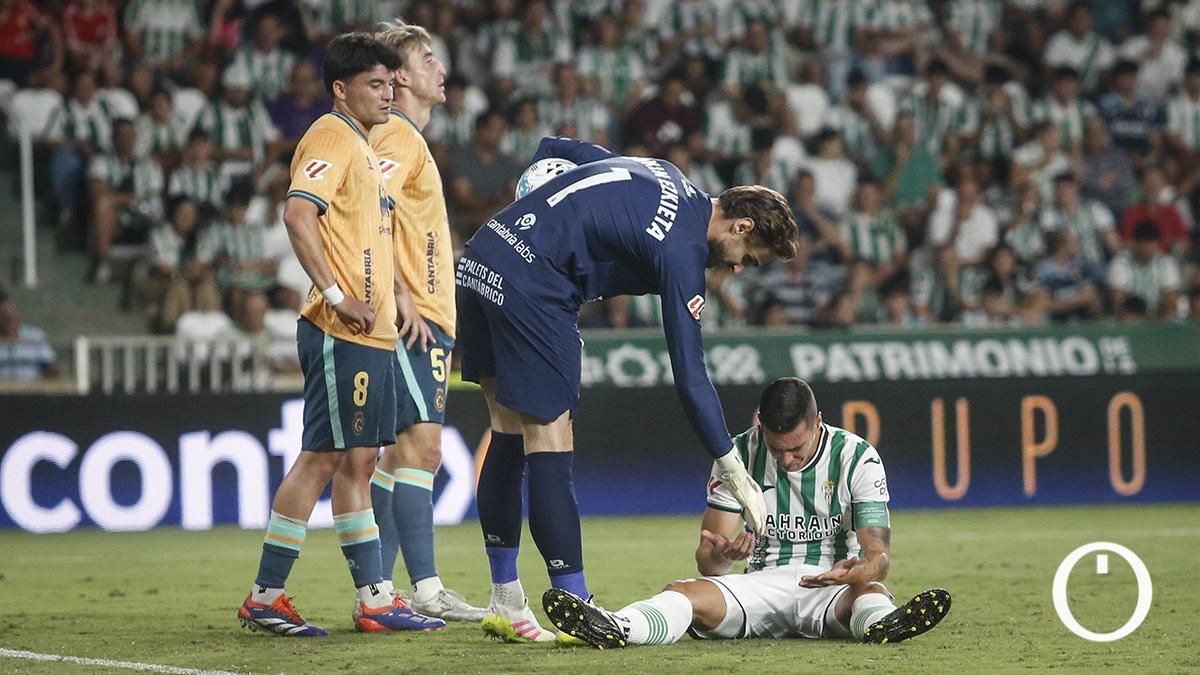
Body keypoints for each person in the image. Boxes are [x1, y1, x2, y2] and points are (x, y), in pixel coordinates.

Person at [457, 135, 797, 643]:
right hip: (536, 284)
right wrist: (734, 470)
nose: (737, 268)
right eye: (749, 257)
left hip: (483, 255)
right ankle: (577, 606)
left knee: (507, 431)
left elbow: (555, 147)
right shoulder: (683, 248)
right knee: (550, 440)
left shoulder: (665, 173)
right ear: (741, 226)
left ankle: (506, 599)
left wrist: (531, 198)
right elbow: (690, 373)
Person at [237, 32, 443, 638]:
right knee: (323, 458)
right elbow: (298, 212)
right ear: (340, 89)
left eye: (388, 82)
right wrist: (334, 294)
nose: (387, 93)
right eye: (374, 84)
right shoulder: (330, 134)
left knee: (359, 461)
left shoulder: (363, 143)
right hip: (339, 329)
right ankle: (265, 595)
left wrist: (392, 298)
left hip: (371, 333)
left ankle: (375, 597)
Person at [542, 377, 952, 648]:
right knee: (683, 592)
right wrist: (723, 555)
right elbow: (709, 562)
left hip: (831, 586)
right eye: (777, 449)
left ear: (818, 422)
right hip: (760, 586)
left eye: (797, 448)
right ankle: (618, 626)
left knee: (870, 593)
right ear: (760, 426)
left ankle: (883, 627)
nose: (787, 460)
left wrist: (857, 572)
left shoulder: (857, 456)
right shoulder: (736, 455)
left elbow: (879, 559)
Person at [369, 19, 485, 623]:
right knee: (423, 448)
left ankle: (379, 590)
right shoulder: (398, 137)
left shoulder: (406, 138)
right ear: (401, 78)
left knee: (397, 456)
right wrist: (400, 294)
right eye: (428, 59)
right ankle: (426, 588)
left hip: (424, 314)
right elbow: (369, 210)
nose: (442, 69)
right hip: (412, 317)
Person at [0, 289, 58, 381]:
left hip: (33, 388)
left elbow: (50, 367)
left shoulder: (35, 336)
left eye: (11, 312)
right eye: (3, 314)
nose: (8, 318)